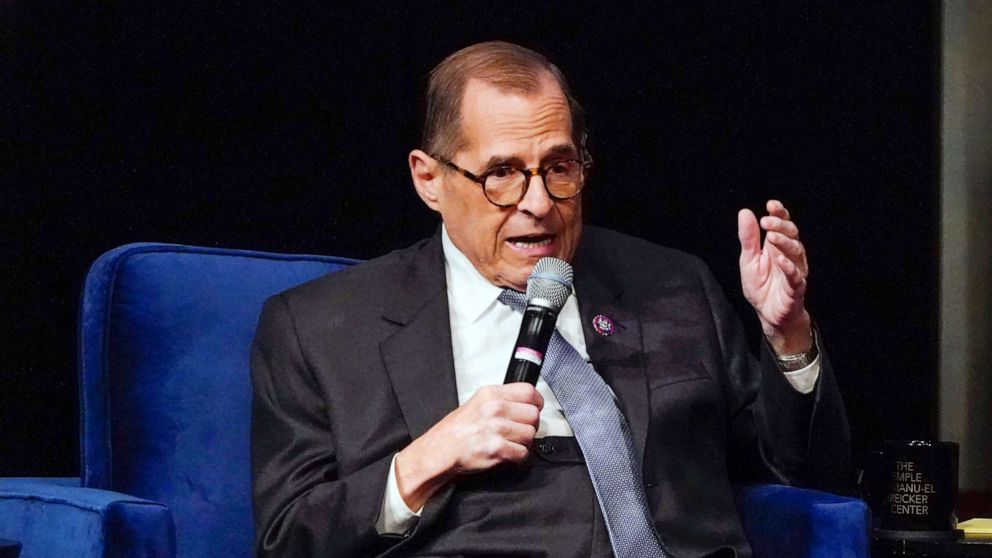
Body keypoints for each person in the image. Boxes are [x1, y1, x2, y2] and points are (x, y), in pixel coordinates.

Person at [250, 41, 850, 558]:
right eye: (502, 174)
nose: (538, 203)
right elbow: (286, 540)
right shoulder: (320, 329)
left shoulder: (672, 287)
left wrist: (787, 335)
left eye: (559, 167)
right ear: (428, 179)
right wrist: (422, 462)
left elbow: (797, 471)